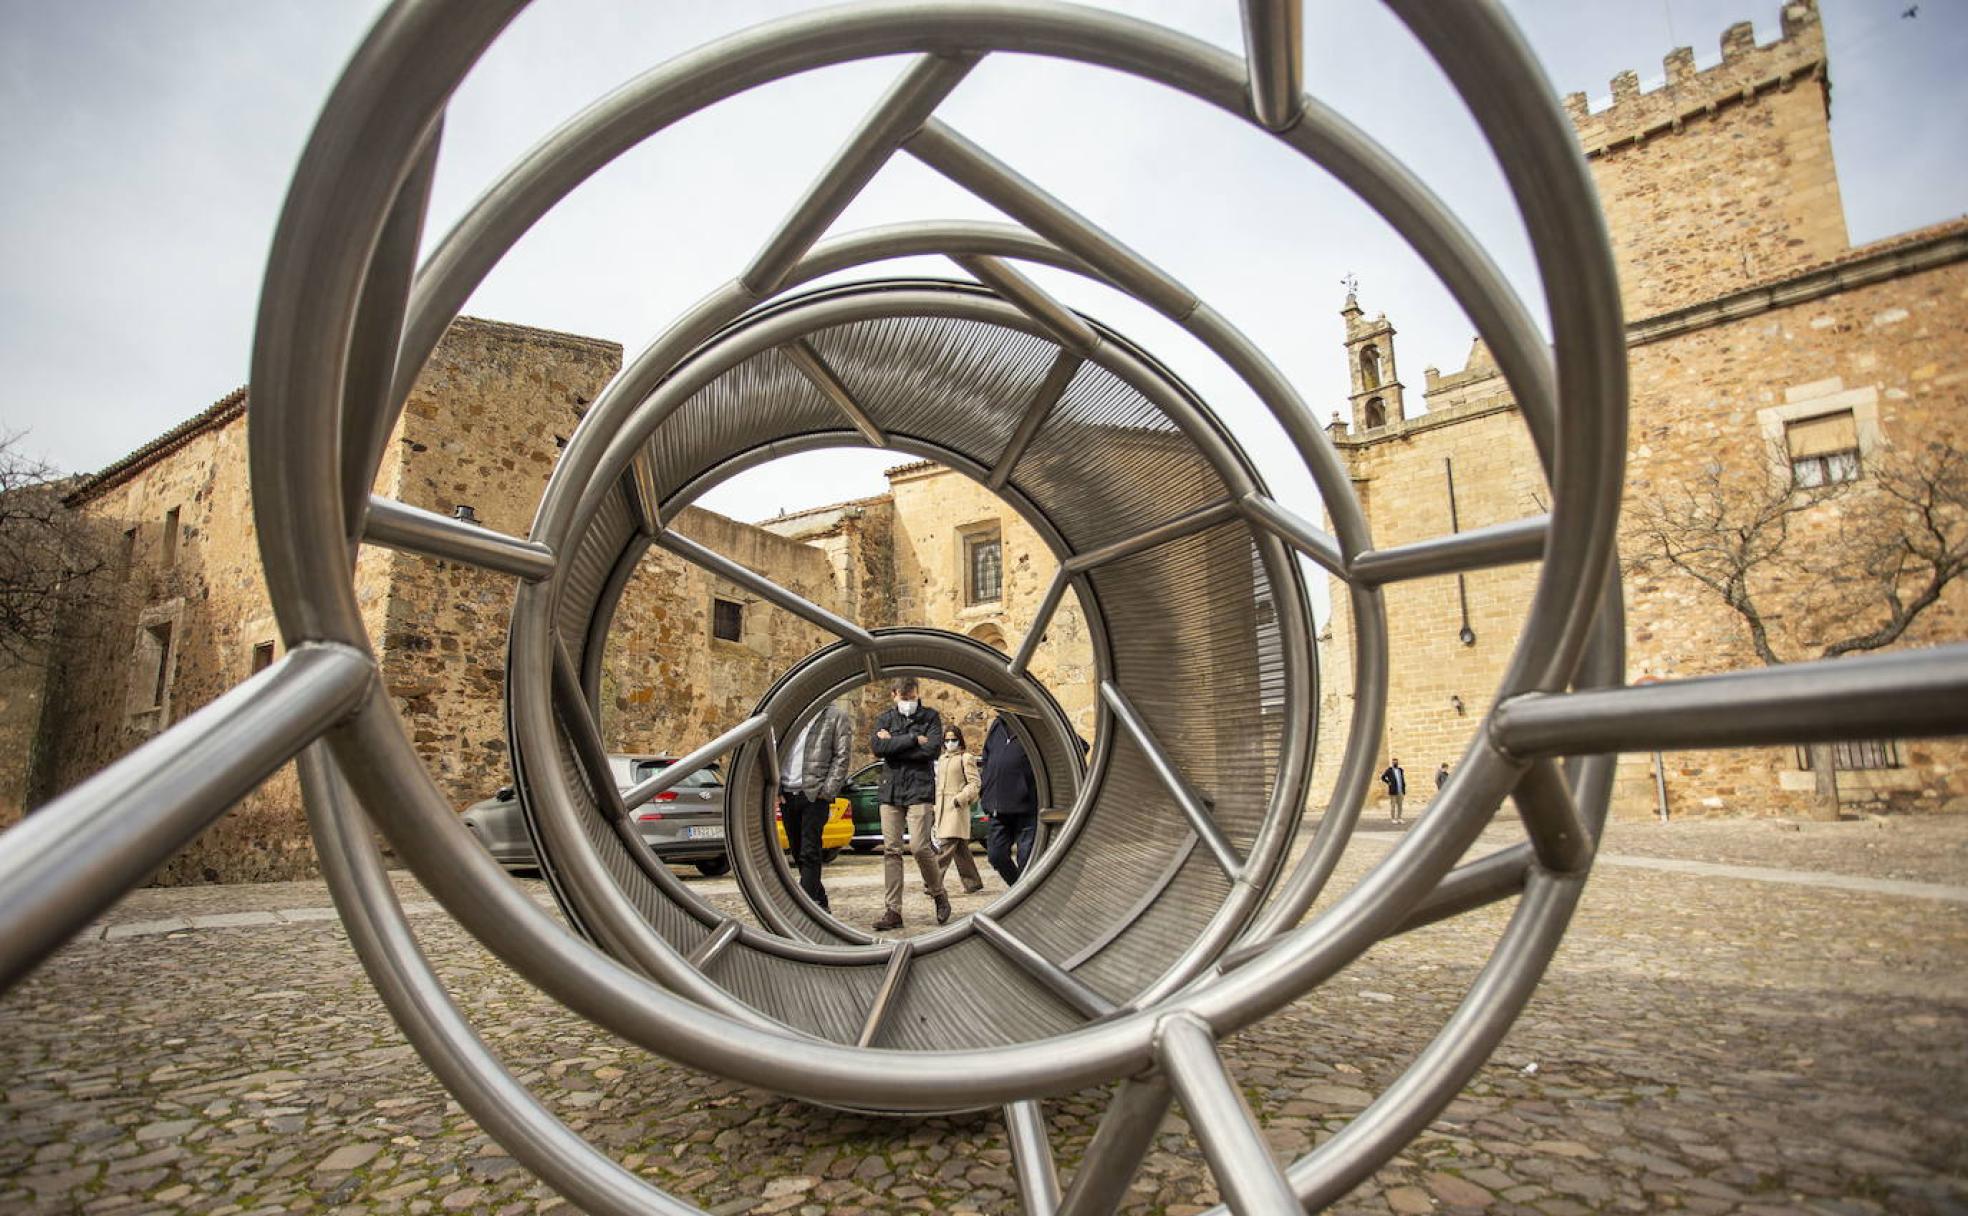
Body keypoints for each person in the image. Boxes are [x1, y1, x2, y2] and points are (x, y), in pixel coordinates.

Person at [871, 677, 948, 930]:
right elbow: (878, 747)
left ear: (918, 695)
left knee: (919, 846)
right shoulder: (884, 718)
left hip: (919, 788)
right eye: (904, 699)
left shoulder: (930, 717)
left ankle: (938, 893)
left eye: (912, 698)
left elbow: (933, 749)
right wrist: (914, 739)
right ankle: (893, 911)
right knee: (891, 850)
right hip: (891, 791)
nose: (909, 703)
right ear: (894, 695)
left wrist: (894, 743)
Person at [778, 699, 851, 912]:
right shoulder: (790, 715)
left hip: (814, 794)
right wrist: (776, 789)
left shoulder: (835, 716)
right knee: (798, 850)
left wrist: (827, 791)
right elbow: (775, 750)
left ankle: (805, 908)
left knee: (810, 852)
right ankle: (821, 901)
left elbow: (842, 756)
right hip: (788, 792)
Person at [980, 715, 1039, 886]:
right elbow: (987, 758)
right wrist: (986, 787)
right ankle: (1019, 890)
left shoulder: (1036, 725)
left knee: (1027, 858)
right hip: (997, 807)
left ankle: (1026, 898)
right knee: (996, 856)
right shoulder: (998, 725)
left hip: (1027, 806)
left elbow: (1078, 746)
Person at [932, 724, 986, 896]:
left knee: (945, 847)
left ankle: (932, 883)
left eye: (953, 740)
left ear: (959, 740)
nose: (950, 743)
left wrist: (961, 798)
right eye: (947, 740)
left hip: (956, 808)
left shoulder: (966, 758)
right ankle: (973, 882)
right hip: (941, 808)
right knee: (961, 849)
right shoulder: (941, 760)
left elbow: (975, 783)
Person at [1380, 756, 1408, 825]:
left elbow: (1402, 779)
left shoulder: (1400, 770)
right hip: (1393, 791)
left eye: (1396, 761)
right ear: (1392, 763)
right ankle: (1393, 818)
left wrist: (1404, 788)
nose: (1395, 763)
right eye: (1394, 762)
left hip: (1400, 790)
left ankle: (1399, 818)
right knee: (1393, 805)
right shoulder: (1389, 770)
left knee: (1400, 805)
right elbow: (1383, 777)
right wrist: (1388, 782)